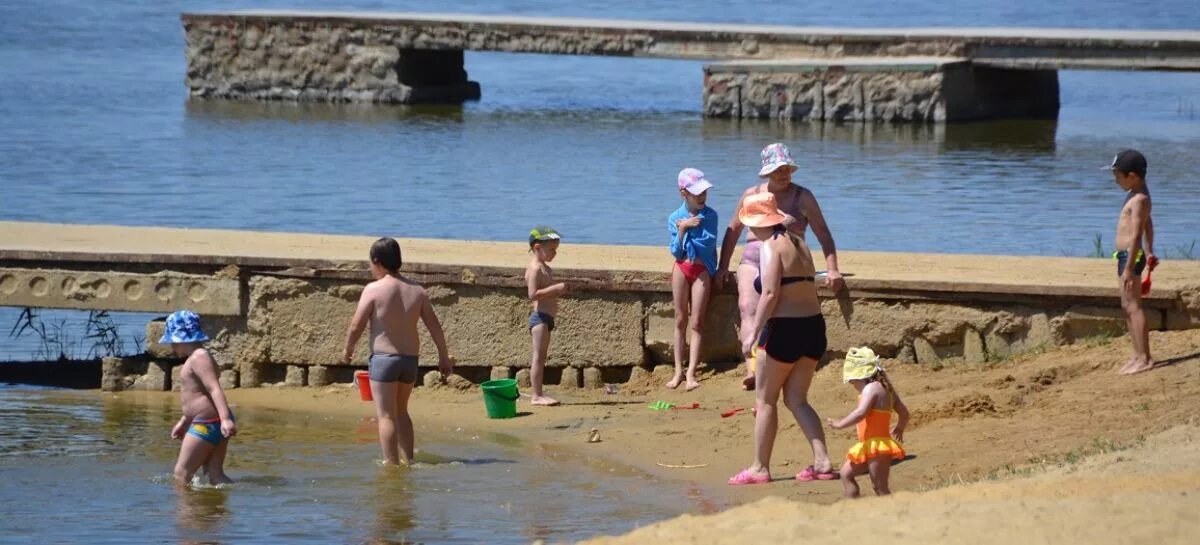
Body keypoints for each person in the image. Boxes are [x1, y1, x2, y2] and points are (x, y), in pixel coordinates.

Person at [715, 143, 846, 390]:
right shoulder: (751, 194)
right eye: (778, 169)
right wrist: (723, 267)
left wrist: (833, 268)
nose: (784, 174)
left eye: (787, 169)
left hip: (788, 262)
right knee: (747, 306)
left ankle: (778, 361)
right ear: (766, 171)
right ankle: (752, 368)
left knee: (778, 309)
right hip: (753, 259)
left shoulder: (803, 196)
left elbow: (823, 234)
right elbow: (733, 231)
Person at [728, 192, 835, 485]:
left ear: (757, 223)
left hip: (784, 330)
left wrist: (752, 331)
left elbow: (772, 293)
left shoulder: (768, 247)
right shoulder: (800, 242)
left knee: (765, 401)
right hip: (813, 327)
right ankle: (823, 462)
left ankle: (759, 468)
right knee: (797, 399)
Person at [344, 237, 453, 465]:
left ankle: (391, 465)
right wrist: (443, 356)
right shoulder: (417, 291)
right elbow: (435, 327)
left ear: (378, 262)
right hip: (409, 361)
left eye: (371, 264)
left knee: (386, 415)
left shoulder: (374, 289)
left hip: (384, 360)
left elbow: (356, 325)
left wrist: (348, 349)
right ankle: (410, 460)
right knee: (402, 412)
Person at [827, 347, 908, 498]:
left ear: (861, 375)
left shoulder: (871, 389)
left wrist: (840, 424)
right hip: (868, 445)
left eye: (853, 381)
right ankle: (855, 508)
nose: (853, 385)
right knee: (846, 474)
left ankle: (896, 514)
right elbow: (904, 413)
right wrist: (899, 428)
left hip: (877, 447)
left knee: (879, 487)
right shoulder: (887, 388)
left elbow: (860, 413)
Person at [167, 310, 237, 486]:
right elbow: (198, 394)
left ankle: (186, 513)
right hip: (211, 422)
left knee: (181, 474)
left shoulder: (199, 357)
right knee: (215, 476)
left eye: (173, 341)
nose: (171, 346)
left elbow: (214, 388)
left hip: (207, 424)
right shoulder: (196, 357)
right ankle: (215, 513)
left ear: (182, 337)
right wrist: (184, 421)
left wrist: (226, 419)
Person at [1106, 150, 1158, 375]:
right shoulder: (1135, 194)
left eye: (1118, 176)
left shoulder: (1140, 199)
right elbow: (1149, 225)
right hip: (1128, 255)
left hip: (1131, 257)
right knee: (1127, 305)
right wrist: (1150, 250)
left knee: (1133, 306)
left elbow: (1137, 233)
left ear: (1133, 176)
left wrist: (1129, 268)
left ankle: (1144, 358)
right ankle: (1136, 355)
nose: (1116, 180)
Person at [667, 168, 719, 391]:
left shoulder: (710, 215)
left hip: (701, 271)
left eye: (704, 192)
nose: (702, 197)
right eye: (697, 193)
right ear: (683, 193)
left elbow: (708, 243)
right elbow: (676, 252)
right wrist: (683, 229)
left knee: (696, 322)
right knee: (680, 320)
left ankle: (691, 373)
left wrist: (687, 228)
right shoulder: (674, 218)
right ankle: (678, 370)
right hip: (681, 268)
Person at [526, 226, 567, 406]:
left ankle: (538, 393)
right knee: (538, 357)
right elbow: (533, 294)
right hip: (540, 318)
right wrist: (555, 289)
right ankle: (537, 395)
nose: (554, 253)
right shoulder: (535, 269)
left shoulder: (545, 268)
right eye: (551, 249)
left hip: (546, 318)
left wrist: (557, 291)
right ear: (537, 248)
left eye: (555, 250)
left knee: (542, 357)